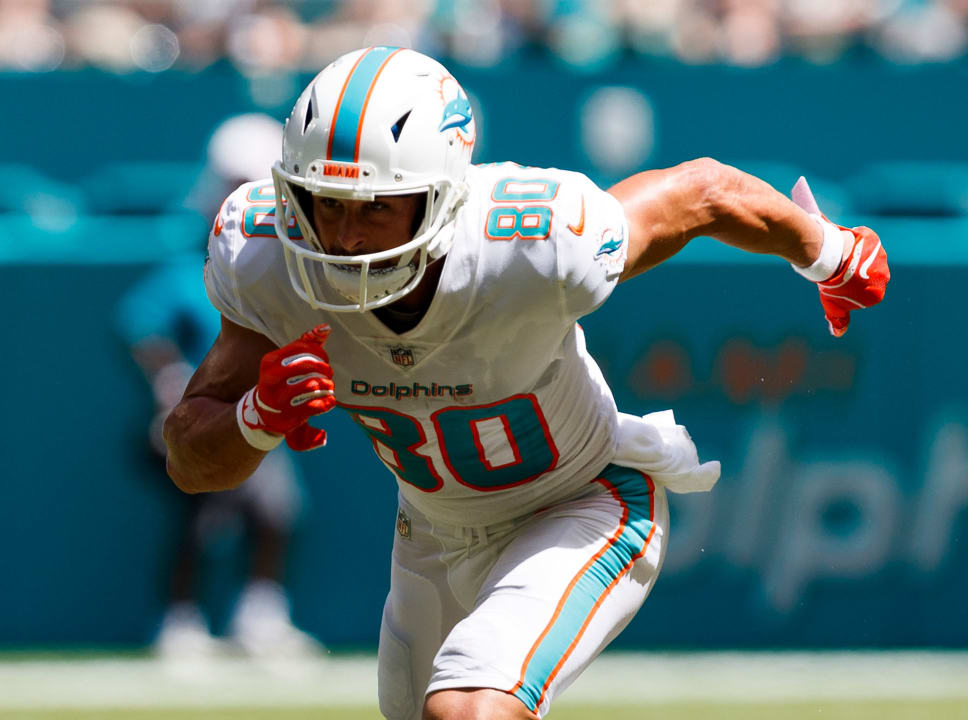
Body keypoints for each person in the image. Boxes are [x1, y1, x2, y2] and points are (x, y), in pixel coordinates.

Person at [163, 47, 889, 719]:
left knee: (470, 710)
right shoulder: (266, 261)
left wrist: (830, 253)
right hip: (431, 533)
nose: (347, 239)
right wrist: (256, 416)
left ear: (441, 198)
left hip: (583, 500)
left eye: (377, 207)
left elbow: (700, 194)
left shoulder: (535, 240)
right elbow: (190, 459)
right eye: (329, 205)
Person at [116, 113, 323, 663]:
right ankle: (180, 619)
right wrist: (168, 376)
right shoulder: (193, 262)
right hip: (208, 411)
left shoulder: (291, 269)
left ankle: (260, 616)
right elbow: (138, 322)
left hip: (260, 410)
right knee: (202, 514)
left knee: (278, 511)